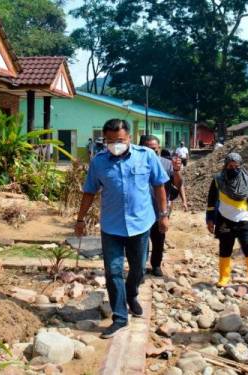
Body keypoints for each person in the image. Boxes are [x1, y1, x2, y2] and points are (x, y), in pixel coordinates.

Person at [75, 119, 170, 339]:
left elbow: (159, 186)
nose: (114, 144)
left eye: (119, 140)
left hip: (140, 224)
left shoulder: (146, 156)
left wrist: (163, 215)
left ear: (129, 137)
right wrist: (80, 219)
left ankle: (132, 294)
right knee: (113, 271)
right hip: (111, 226)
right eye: (109, 141)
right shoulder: (99, 162)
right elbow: (89, 191)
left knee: (137, 269)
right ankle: (119, 317)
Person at [206, 153, 248, 293]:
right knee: (225, 248)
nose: (233, 169)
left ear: (241, 166)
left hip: (245, 219)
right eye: (230, 166)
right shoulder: (218, 180)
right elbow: (211, 201)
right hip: (224, 219)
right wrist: (210, 219)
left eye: (236, 166)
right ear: (225, 166)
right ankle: (224, 278)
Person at [143, 135, 183, 277]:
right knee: (141, 240)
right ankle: (140, 267)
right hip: (140, 209)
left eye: (154, 149)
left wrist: (177, 171)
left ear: (158, 148)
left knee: (159, 239)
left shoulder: (167, 164)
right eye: (148, 148)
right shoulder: (135, 163)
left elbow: (177, 184)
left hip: (160, 209)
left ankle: (156, 265)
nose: (151, 151)